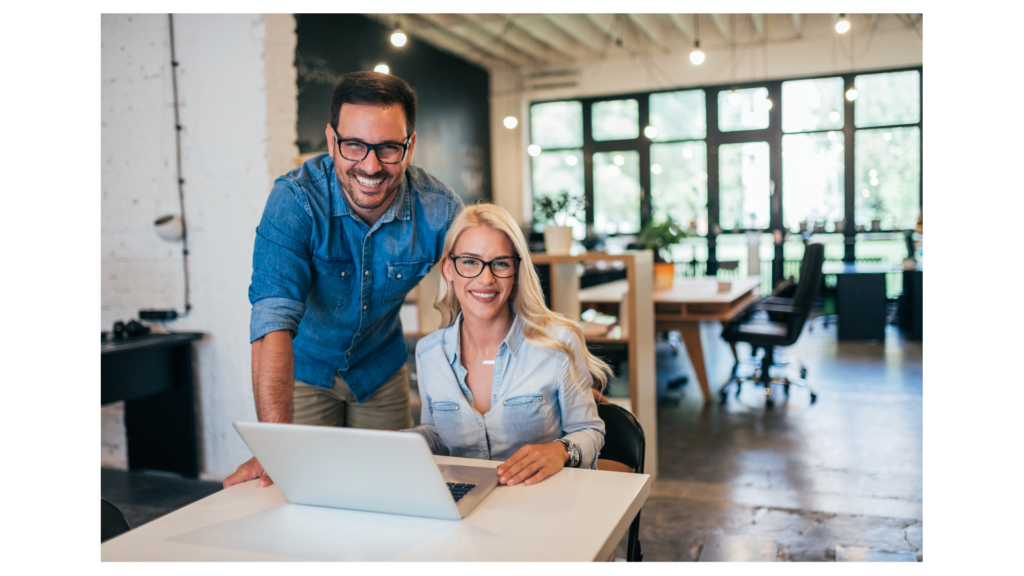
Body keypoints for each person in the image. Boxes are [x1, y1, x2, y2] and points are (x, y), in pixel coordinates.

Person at [224, 71, 463, 489]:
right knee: (301, 492)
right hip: (303, 371)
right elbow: (271, 321)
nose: (370, 166)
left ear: (410, 145)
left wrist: (554, 371)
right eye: (354, 145)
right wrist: (275, 446)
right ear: (332, 140)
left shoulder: (438, 209)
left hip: (380, 370)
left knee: (391, 492)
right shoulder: (295, 201)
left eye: (389, 148)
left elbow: (491, 291)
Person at [406, 203, 612, 486]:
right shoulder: (429, 352)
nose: (486, 278)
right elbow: (438, 437)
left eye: (501, 263)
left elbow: (589, 430)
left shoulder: (558, 343)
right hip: (464, 503)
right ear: (448, 269)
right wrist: (403, 441)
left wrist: (560, 451)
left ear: (515, 272)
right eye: (470, 261)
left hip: (541, 503)